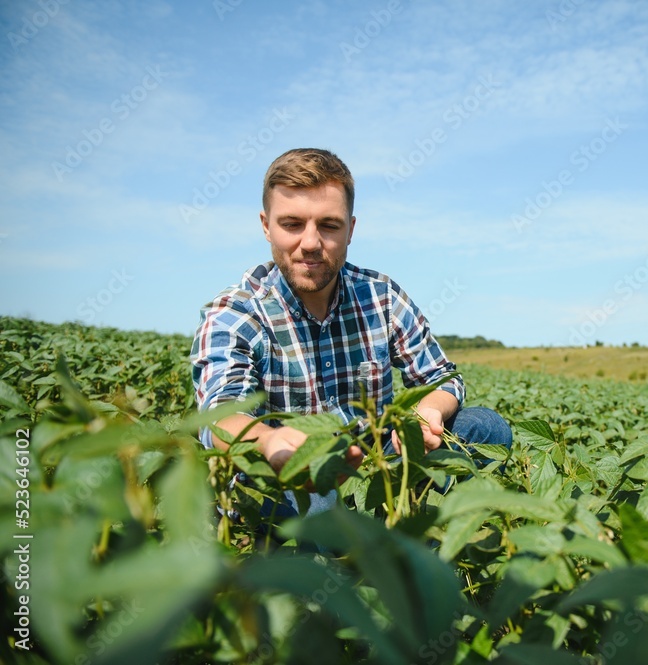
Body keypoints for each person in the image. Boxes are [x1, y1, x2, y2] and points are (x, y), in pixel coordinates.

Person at [191, 148, 511, 513]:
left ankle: (414, 520)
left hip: (377, 461)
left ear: (350, 229)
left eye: (329, 225)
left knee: (487, 428)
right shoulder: (236, 313)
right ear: (266, 226)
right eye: (292, 224)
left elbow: (442, 377)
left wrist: (427, 414)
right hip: (286, 479)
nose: (310, 243)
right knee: (320, 499)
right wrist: (270, 442)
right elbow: (221, 415)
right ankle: (373, 541)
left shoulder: (381, 297)